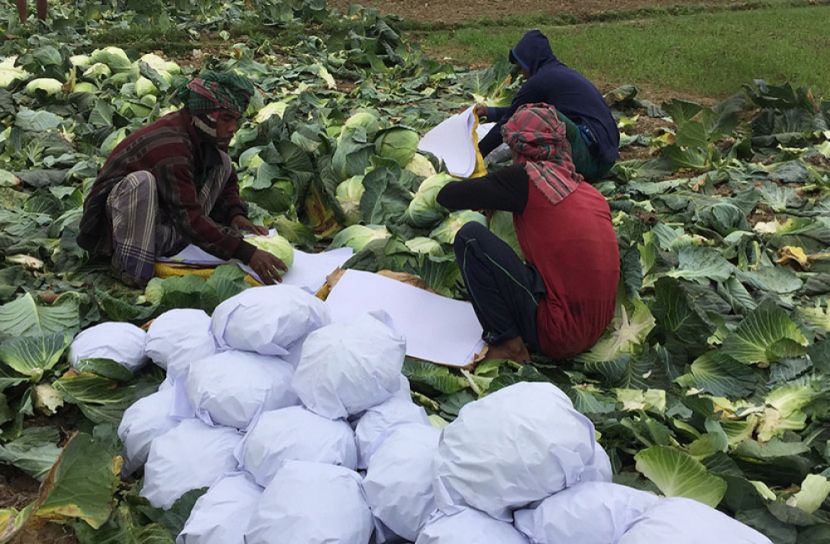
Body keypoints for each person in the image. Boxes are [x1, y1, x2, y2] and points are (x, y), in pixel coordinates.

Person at [437, 103, 619, 362]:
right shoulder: (589, 192)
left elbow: (448, 196)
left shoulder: (525, 178)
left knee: (470, 237)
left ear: (519, 148)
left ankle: (509, 345)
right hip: (596, 328)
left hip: (558, 333)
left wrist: (491, 193)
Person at [78, 71, 287, 287]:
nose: (233, 128)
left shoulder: (204, 132)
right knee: (140, 182)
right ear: (204, 114)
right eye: (226, 119)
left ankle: (177, 249)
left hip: (163, 218)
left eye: (236, 120)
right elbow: (189, 217)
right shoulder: (171, 145)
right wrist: (247, 253)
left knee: (222, 161)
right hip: (117, 230)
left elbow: (227, 184)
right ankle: (129, 267)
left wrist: (235, 214)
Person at [475, 29, 620, 182]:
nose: (523, 74)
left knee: (530, 119)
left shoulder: (539, 81)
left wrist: (477, 155)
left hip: (589, 161)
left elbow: (510, 120)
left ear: (529, 62)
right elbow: (517, 110)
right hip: (605, 160)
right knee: (532, 114)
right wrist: (489, 112)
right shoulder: (558, 73)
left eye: (522, 68)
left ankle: (543, 176)